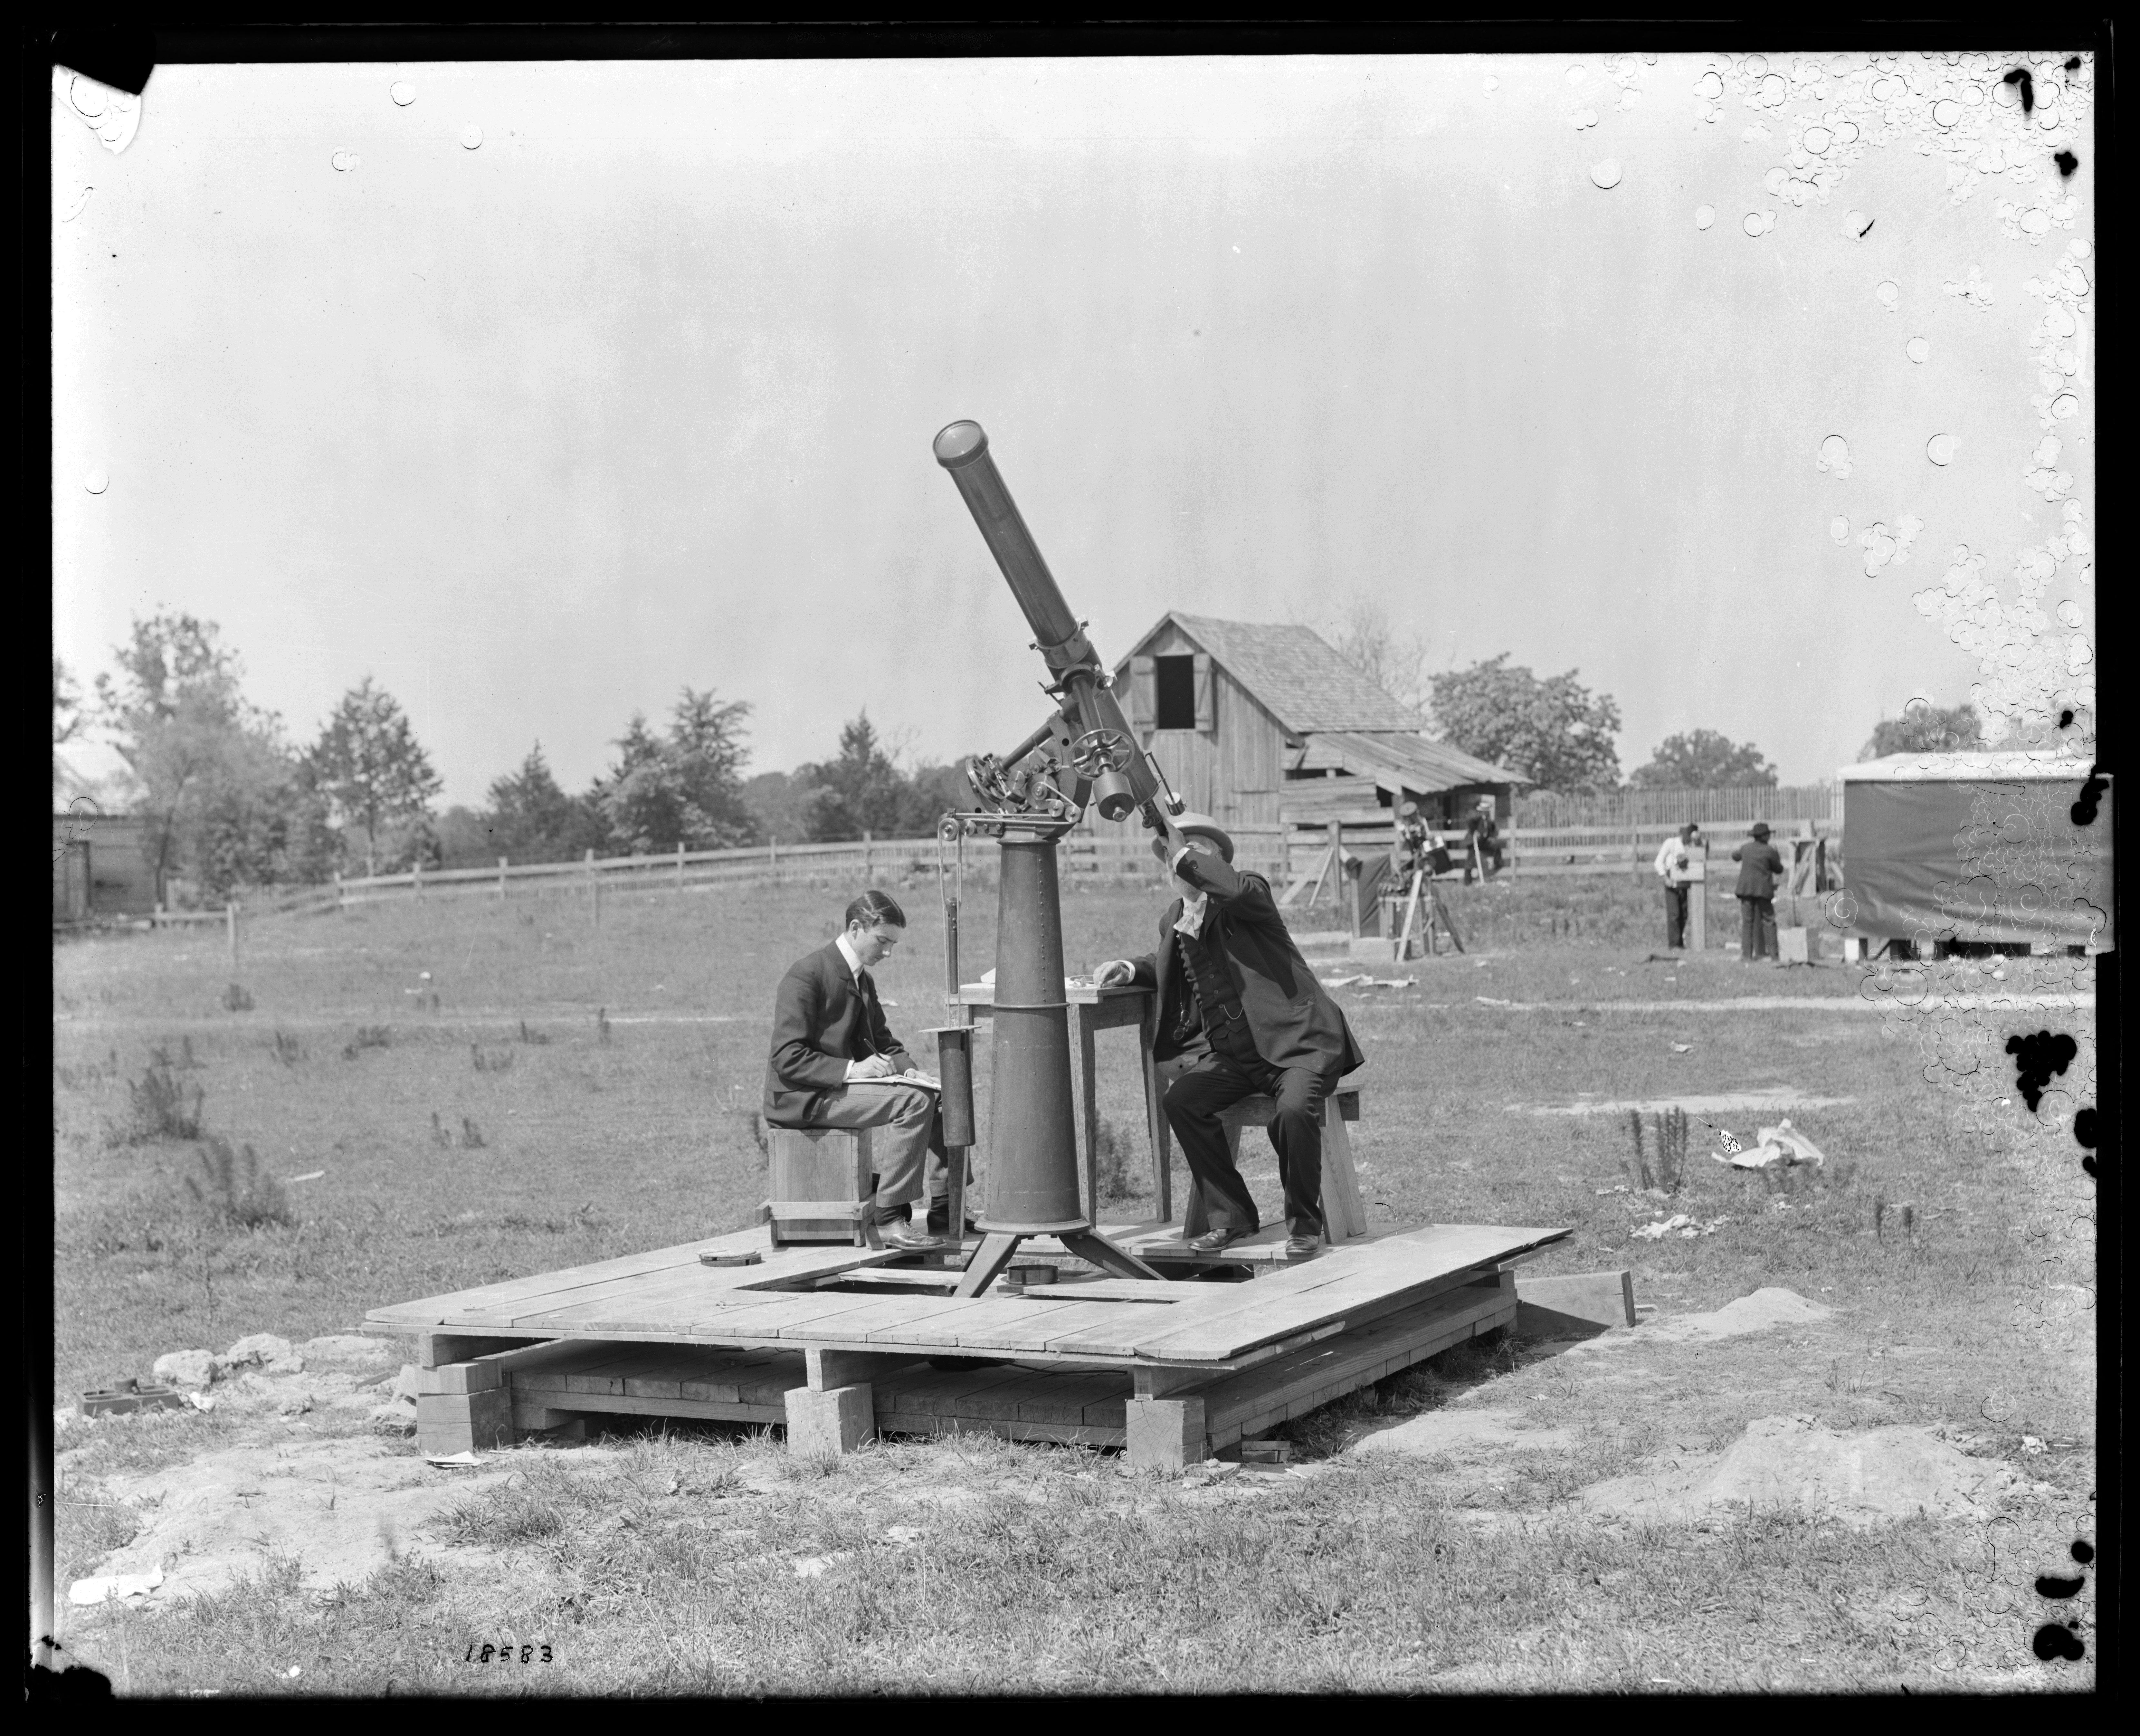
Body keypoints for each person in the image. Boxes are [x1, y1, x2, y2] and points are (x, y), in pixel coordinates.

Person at [1093, 816, 1366, 1259]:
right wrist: (1129, 969)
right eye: (1173, 860)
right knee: (1182, 1101)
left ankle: (1303, 1222)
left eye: (1191, 857)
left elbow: (1234, 889)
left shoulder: (1248, 893)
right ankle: (1232, 1216)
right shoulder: (1176, 918)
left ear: (1214, 861)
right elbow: (1167, 960)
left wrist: (1185, 851)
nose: (1179, 866)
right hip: (1236, 1056)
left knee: (1293, 1112)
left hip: (1297, 1044)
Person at [762, 890, 969, 1248]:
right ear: (856, 928)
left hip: (833, 1089)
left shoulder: (861, 979)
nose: (888, 952)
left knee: (937, 1095)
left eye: (893, 943)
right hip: (803, 1098)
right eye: (883, 941)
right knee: (913, 1102)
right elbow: (787, 1057)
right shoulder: (807, 974)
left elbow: (884, 1042)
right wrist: (855, 1069)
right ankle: (890, 1218)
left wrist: (910, 1072)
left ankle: (947, 1208)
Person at [1730, 823, 1787, 965]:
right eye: (1768, 835)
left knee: (1747, 923)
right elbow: (1779, 869)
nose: (1770, 837)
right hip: (1763, 891)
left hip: (1746, 890)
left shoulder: (1746, 848)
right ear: (1765, 836)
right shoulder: (1769, 851)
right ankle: (1774, 957)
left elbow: (1735, 856)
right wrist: (1777, 855)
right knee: (1769, 921)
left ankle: (1747, 956)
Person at [1653, 822, 1705, 949]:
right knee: (1674, 914)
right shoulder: (1672, 843)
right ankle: (1674, 944)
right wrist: (1665, 878)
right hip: (1672, 881)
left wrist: (1698, 844)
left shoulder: (1692, 846)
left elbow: (1700, 858)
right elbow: (1658, 862)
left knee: (1684, 914)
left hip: (1684, 883)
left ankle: (1680, 943)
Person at [1464, 797, 1504, 883]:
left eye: (1487, 811)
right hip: (1474, 842)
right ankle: (1467, 881)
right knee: (1470, 860)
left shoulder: (1488, 821)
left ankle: (1497, 864)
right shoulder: (1477, 819)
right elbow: (1469, 821)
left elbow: (1493, 830)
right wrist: (1474, 831)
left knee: (1496, 846)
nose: (1486, 812)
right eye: (1484, 811)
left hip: (1483, 843)